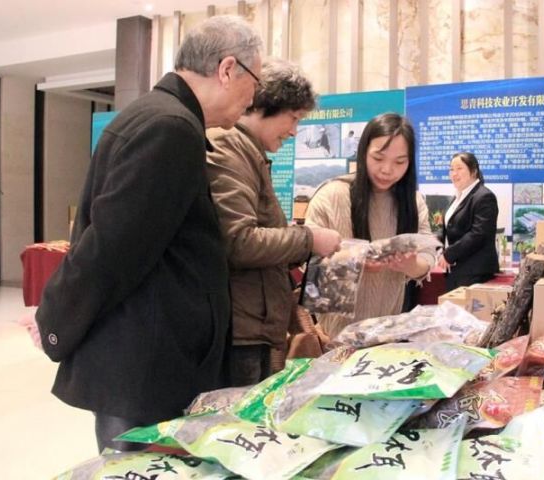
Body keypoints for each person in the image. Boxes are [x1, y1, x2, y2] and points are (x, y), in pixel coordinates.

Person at [30, 15, 263, 452]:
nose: (254, 96)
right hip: (144, 368)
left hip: (147, 358)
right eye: (256, 81)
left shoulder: (161, 117)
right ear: (228, 69)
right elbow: (110, 249)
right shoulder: (170, 127)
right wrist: (54, 322)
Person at [206, 59, 341, 386]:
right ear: (266, 104)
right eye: (293, 118)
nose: (294, 131)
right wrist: (309, 239)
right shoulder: (228, 145)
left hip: (255, 324)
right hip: (241, 329)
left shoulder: (247, 151)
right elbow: (238, 241)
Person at [305, 112, 436, 338]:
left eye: (399, 162)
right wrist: (355, 260)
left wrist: (411, 265)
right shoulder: (332, 194)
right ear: (363, 152)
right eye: (378, 158)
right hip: (334, 336)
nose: (387, 169)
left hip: (387, 333)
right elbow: (308, 264)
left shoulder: (413, 202)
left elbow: (428, 257)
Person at [437, 152, 499, 291]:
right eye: (451, 169)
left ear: (473, 171)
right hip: (455, 270)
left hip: (474, 272)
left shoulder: (484, 196)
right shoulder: (458, 197)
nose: (454, 174)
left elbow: (478, 234)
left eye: (459, 168)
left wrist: (449, 254)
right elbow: (451, 230)